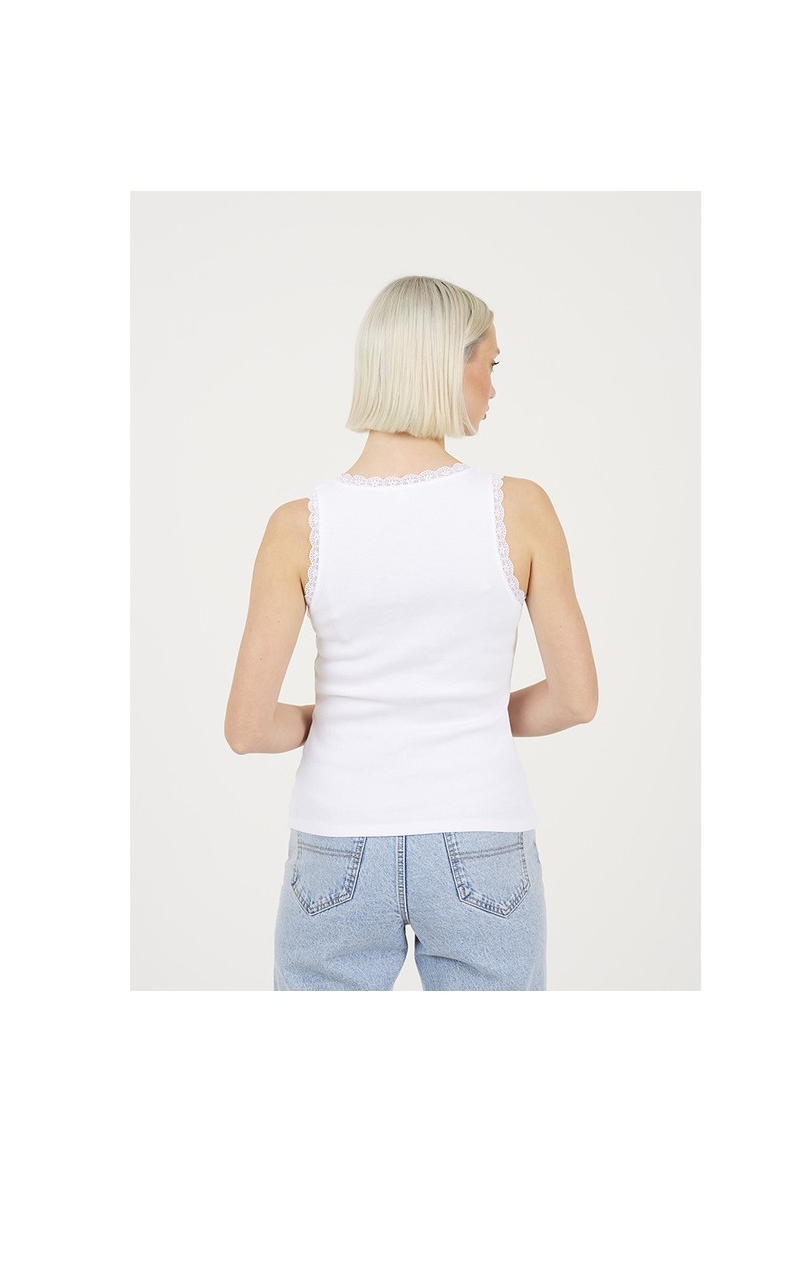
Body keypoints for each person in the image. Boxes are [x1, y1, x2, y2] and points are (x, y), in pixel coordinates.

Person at [224, 275, 598, 990]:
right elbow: (576, 700)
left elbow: (246, 729)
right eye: (490, 364)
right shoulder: (521, 511)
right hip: (482, 834)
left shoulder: (297, 527)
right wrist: (468, 710)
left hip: (337, 842)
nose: (494, 388)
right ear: (447, 366)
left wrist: (326, 716)